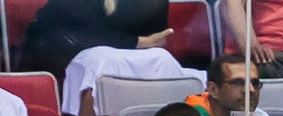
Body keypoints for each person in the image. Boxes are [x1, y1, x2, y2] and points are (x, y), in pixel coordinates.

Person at [25, 0, 172, 81]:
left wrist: (146, 43)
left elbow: (157, 37)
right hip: (65, 53)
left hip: (121, 52)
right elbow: (86, 32)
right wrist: (140, 42)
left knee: (163, 60)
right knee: (101, 61)